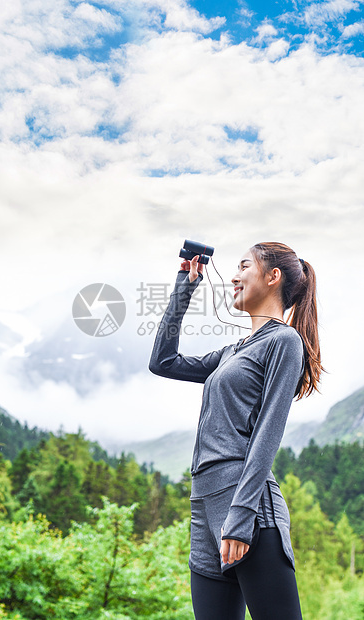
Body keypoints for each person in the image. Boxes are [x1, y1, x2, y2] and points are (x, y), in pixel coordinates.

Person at [148, 242, 323, 620]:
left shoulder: (283, 342)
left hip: (248, 510)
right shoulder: (232, 352)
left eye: (244, 266)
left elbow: (267, 435)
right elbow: (162, 361)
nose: (233, 275)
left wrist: (241, 519)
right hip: (203, 509)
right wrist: (185, 284)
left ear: (272, 276)